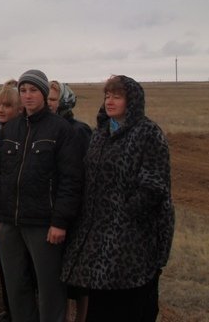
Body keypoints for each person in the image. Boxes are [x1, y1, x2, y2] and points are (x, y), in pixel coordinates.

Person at [61, 75, 174, 322]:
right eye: (107, 96)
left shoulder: (148, 133)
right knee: (101, 302)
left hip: (135, 237)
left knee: (132, 303)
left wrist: (125, 214)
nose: (110, 101)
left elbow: (154, 187)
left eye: (117, 96)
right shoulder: (100, 134)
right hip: (99, 234)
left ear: (132, 101)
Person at [0, 69, 83, 322]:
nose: (27, 96)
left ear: (43, 93)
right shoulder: (10, 130)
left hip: (43, 224)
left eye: (33, 91)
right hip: (9, 222)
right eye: (23, 91)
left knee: (50, 287)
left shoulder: (60, 130)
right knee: (16, 284)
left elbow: (70, 181)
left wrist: (60, 222)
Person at [49, 80, 92, 322]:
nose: (49, 104)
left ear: (64, 101)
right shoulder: (45, 128)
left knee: (79, 274)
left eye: (53, 100)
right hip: (51, 209)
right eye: (47, 99)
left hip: (75, 211)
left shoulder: (79, 130)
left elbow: (83, 174)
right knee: (58, 273)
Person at [0, 81, 23, 322]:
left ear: (19, 109)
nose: (1, 110)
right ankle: (10, 311)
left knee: (21, 269)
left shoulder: (23, 131)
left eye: (7, 106)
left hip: (19, 211)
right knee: (4, 265)